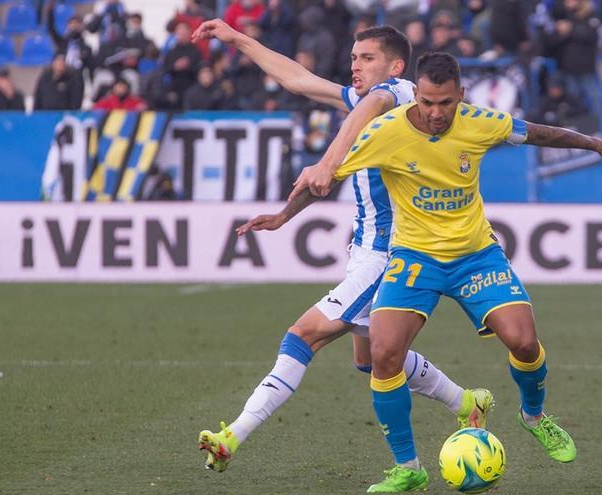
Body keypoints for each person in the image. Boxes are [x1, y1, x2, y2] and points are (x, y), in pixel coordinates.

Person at [283, 51, 602, 493]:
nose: (435, 113)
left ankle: (534, 417)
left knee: (524, 341)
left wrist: (594, 144)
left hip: (475, 256)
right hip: (413, 259)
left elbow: (539, 133)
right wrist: (281, 216)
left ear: (460, 96)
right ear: (416, 95)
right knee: (383, 356)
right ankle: (409, 468)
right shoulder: (385, 132)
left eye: (445, 103)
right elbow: (323, 181)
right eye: (426, 102)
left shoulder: (480, 122)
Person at [191, 18, 494, 474]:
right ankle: (466, 401)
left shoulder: (399, 95)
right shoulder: (370, 103)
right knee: (370, 358)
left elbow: (365, 111)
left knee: (301, 336)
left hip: (391, 253)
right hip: (366, 249)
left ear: (395, 65)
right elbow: (298, 80)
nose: (355, 66)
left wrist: (320, 169)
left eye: (366, 58)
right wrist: (236, 39)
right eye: (353, 58)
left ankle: (233, 435)